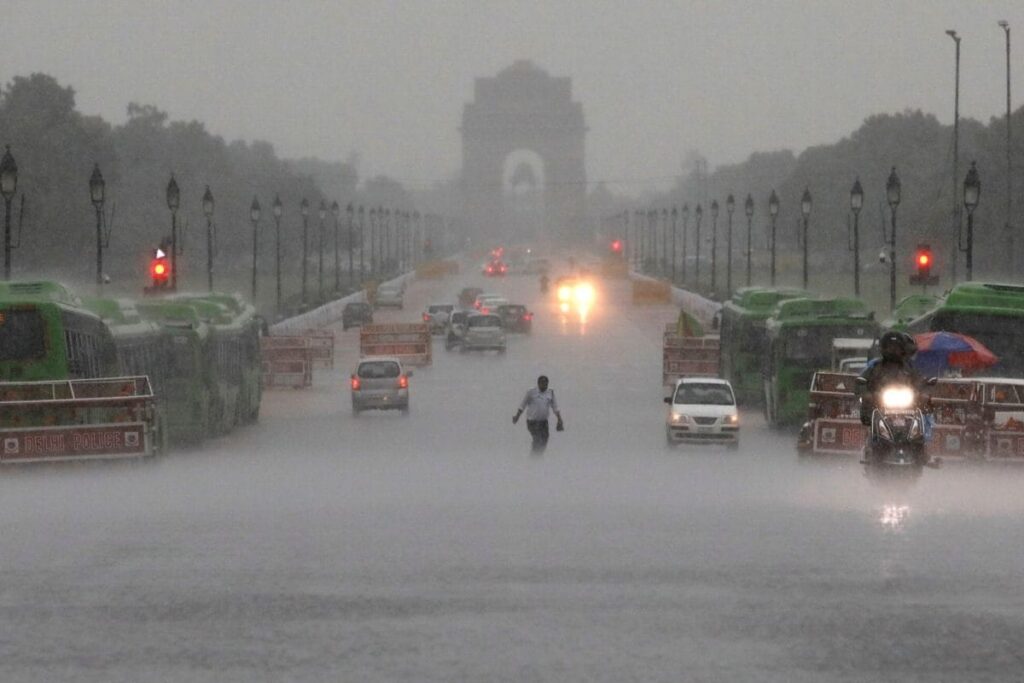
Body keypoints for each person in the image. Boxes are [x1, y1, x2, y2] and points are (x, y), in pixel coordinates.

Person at [858, 330, 929, 425]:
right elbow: (861, 381)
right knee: (870, 415)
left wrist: (922, 392)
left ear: (903, 349)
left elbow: (919, 382)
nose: (894, 350)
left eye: (897, 347)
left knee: (923, 417)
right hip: (880, 408)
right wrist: (867, 394)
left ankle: (918, 434)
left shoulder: (909, 368)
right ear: (884, 348)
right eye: (890, 347)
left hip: (907, 409)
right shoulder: (875, 367)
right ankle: (874, 435)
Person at [513, 375, 564, 454]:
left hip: (544, 422)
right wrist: (517, 416)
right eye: (542, 383)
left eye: (546, 384)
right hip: (532, 422)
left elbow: (555, 407)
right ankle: (534, 458)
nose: (544, 385)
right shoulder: (531, 392)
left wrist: (559, 419)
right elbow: (523, 405)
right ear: (538, 383)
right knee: (537, 439)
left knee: (544, 440)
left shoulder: (550, 392)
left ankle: (537, 456)